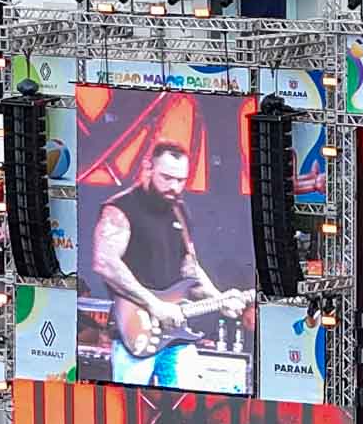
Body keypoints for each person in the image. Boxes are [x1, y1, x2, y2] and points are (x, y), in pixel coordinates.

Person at [85, 138, 249, 389]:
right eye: (167, 178)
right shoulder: (121, 207)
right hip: (136, 331)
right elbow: (105, 262)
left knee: (188, 409)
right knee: (132, 410)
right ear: (147, 168)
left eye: (180, 180)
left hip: (177, 334)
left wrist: (219, 299)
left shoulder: (179, 211)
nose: (174, 187)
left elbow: (190, 269)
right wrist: (155, 304)